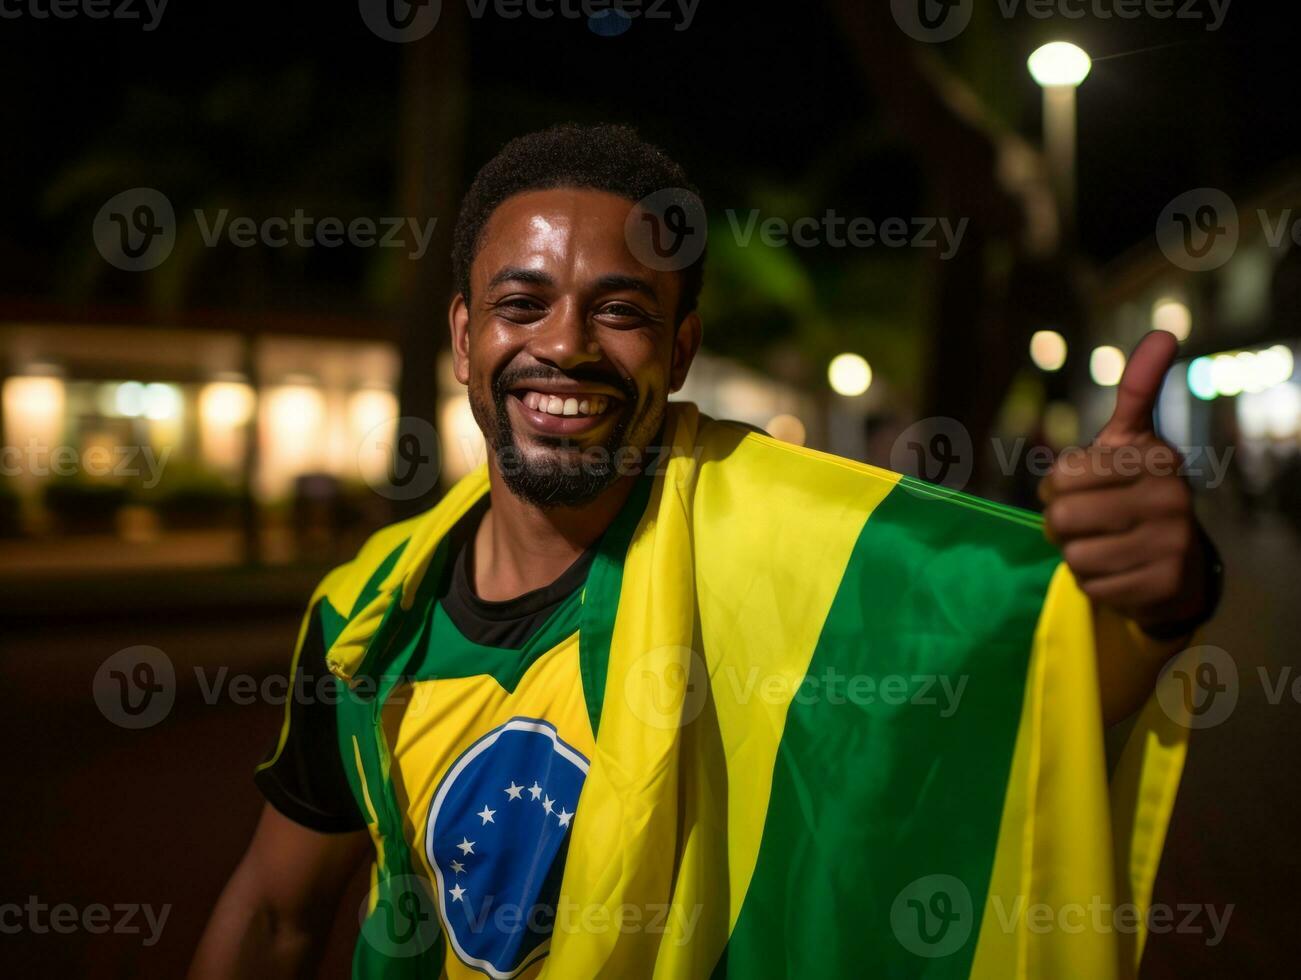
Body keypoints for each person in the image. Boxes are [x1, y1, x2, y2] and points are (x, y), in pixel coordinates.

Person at [191, 124, 1220, 979]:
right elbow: (279, 910)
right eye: (521, 303)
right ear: (464, 337)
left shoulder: (789, 538)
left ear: (679, 350)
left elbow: (1038, 643)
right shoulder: (364, 611)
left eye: (621, 310)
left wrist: (1158, 586)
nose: (565, 343)